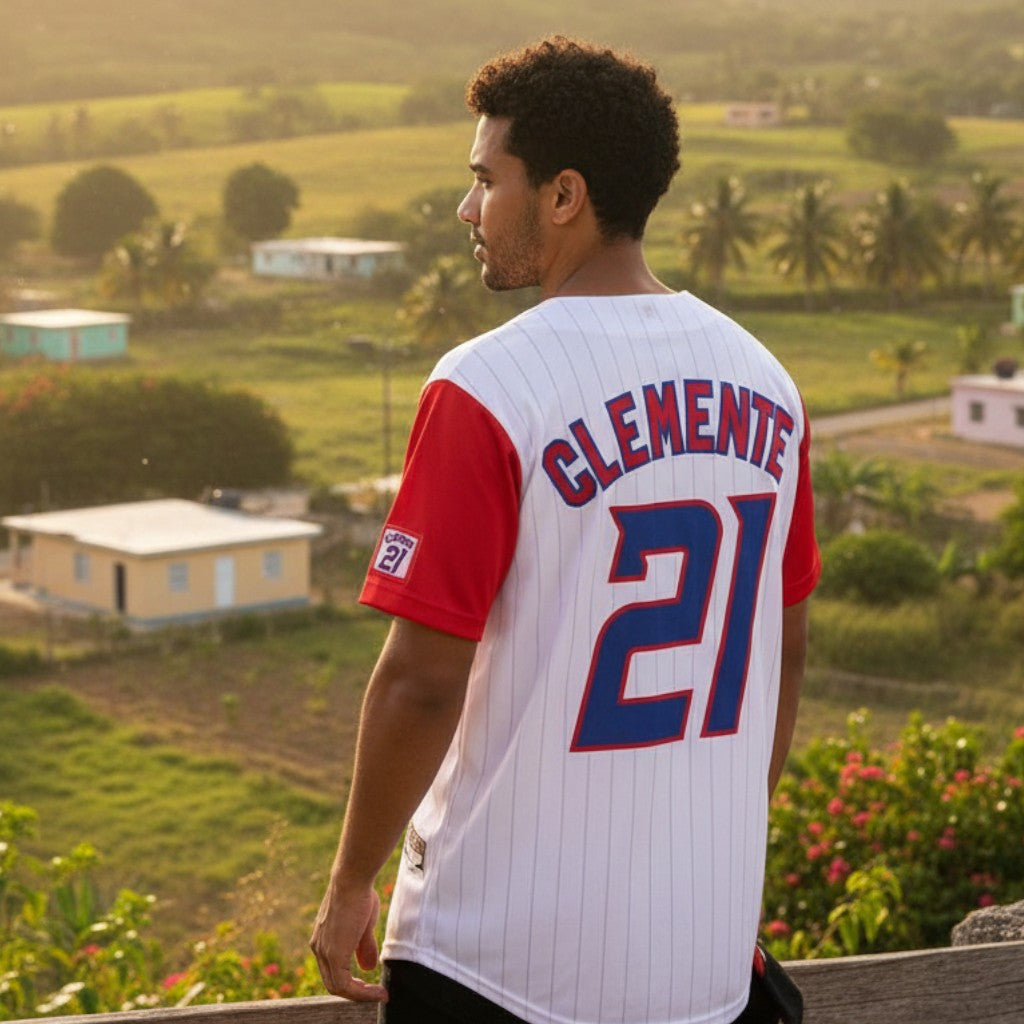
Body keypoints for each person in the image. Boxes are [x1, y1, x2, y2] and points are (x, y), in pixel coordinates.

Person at [310, 35, 820, 1024]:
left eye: (484, 179)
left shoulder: (487, 386)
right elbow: (785, 645)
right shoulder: (768, 381)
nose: (467, 207)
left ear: (561, 195)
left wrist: (347, 884)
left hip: (498, 965)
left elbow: (419, 679)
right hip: (702, 965)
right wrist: (712, 846)